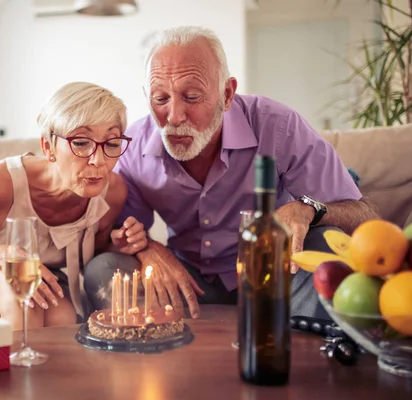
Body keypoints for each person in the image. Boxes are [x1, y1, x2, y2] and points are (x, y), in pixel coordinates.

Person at [83, 26, 380, 320]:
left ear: (226, 94)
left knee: (327, 241)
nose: (173, 117)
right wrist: (146, 247)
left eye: (191, 97)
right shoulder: (133, 145)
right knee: (105, 269)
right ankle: (169, 353)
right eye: (160, 99)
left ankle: (289, 347)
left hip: (275, 278)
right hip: (188, 283)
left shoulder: (277, 126)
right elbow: (120, 233)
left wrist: (307, 209)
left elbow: (365, 216)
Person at [0, 82, 148, 330]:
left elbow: (88, 259)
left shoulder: (112, 192)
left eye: (112, 143)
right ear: (48, 147)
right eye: (81, 143)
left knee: (62, 318)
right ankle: (17, 367)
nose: (99, 160)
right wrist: (2, 255)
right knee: (21, 296)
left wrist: (116, 244)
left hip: (35, 275)